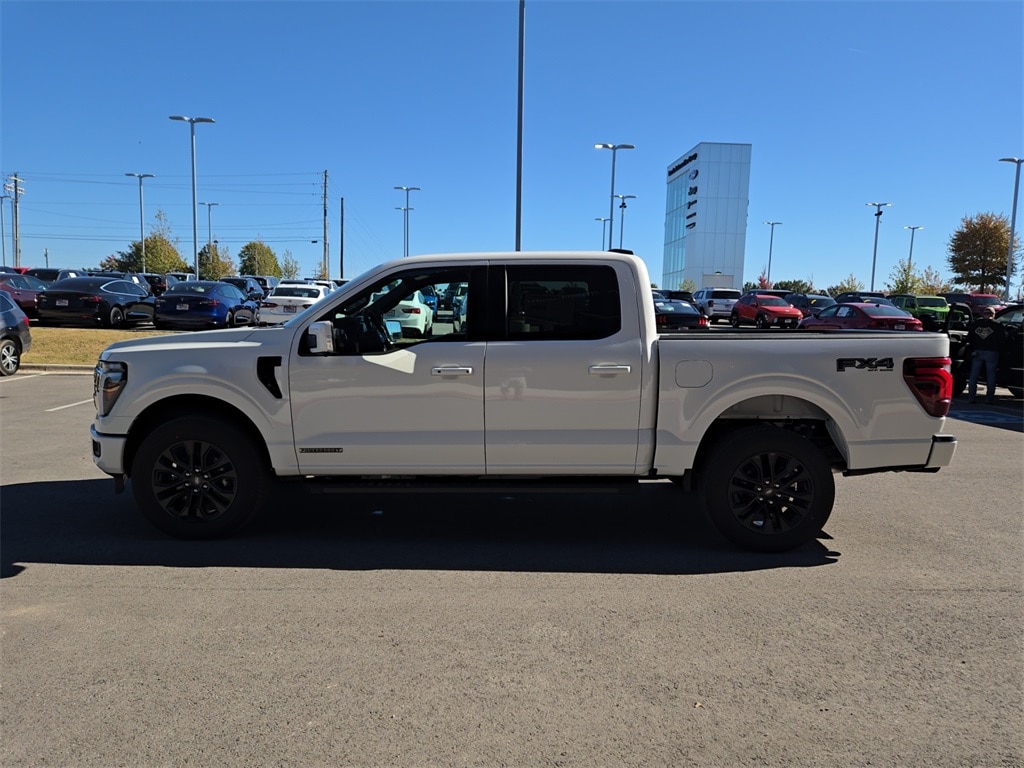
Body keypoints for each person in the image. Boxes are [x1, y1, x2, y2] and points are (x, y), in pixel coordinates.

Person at [965, 306, 1006, 404]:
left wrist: (972, 349)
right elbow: (1003, 340)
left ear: (984, 314)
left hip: (977, 352)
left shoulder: (976, 324)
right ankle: (989, 399)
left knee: (974, 375)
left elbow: (969, 338)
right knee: (991, 375)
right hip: (992, 353)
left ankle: (971, 397)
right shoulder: (998, 325)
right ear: (993, 314)